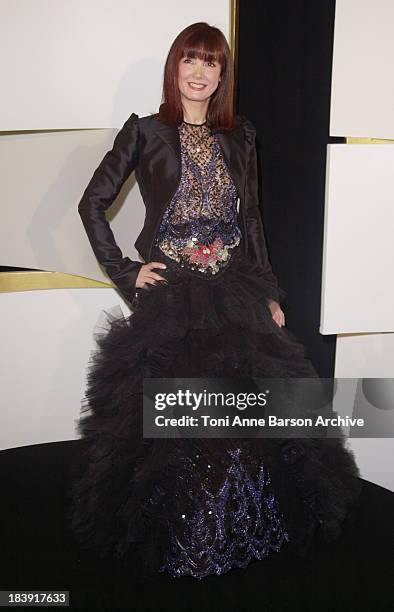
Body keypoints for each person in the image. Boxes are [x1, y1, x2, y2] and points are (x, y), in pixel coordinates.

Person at [66, 22, 361, 580]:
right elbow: (92, 204)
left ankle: (246, 531)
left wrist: (270, 293)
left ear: (223, 74)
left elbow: (251, 220)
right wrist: (127, 273)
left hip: (235, 289)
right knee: (179, 425)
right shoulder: (145, 132)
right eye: (190, 60)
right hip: (173, 296)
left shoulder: (239, 135)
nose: (200, 72)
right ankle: (190, 538)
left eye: (212, 63)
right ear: (175, 68)